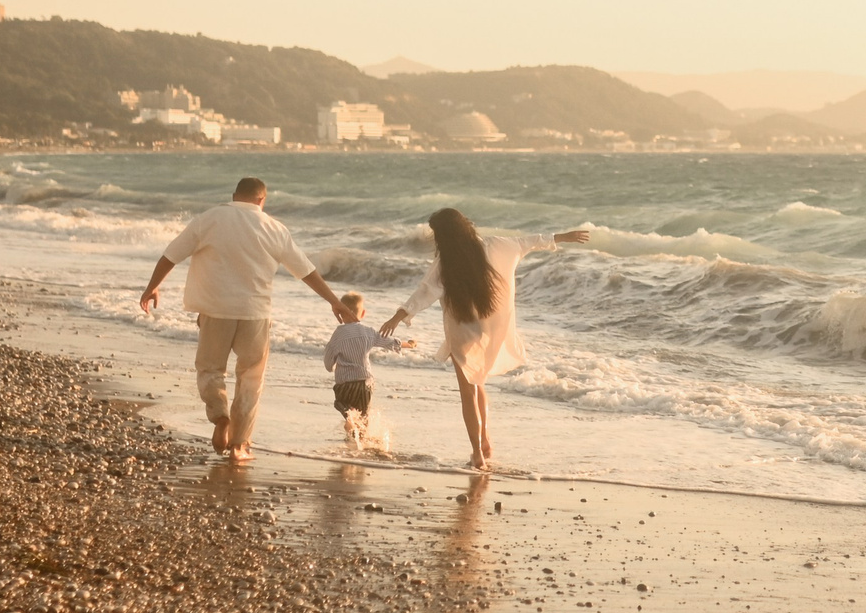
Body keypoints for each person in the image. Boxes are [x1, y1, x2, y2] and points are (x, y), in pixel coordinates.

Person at [138, 176, 342, 461]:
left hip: (214, 311)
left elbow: (170, 255)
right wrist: (334, 302)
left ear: (234, 196)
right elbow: (306, 271)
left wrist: (152, 287)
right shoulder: (274, 228)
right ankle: (239, 445)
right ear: (262, 200)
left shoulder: (209, 219)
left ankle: (220, 417)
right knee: (250, 379)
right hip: (255, 315)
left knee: (210, 370)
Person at [382, 208, 588, 468]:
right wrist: (562, 237)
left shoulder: (447, 260)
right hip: (490, 326)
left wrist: (398, 316)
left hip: (462, 330)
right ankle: (486, 441)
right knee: (478, 382)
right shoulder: (496, 245)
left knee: (468, 392)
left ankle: (478, 454)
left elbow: (424, 291)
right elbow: (529, 241)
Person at [322, 291, 409, 438]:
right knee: (363, 416)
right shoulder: (368, 332)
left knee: (341, 403)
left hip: (345, 383)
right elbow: (389, 342)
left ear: (341, 314)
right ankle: (363, 441)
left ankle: (350, 422)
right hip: (365, 383)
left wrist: (330, 367)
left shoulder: (338, 334)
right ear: (363, 313)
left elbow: (328, 360)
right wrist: (409, 344)